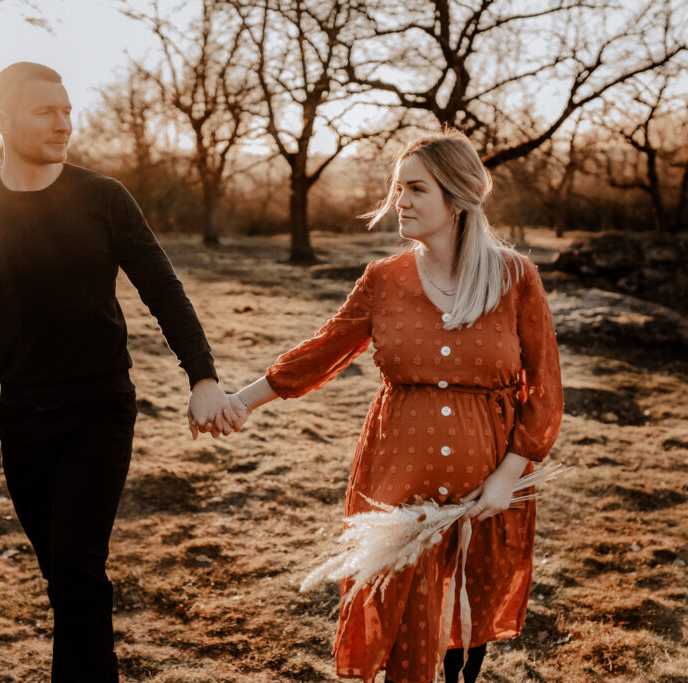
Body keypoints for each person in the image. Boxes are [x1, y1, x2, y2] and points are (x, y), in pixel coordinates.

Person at [0, 62, 236, 682]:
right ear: (1, 121)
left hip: (99, 411)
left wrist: (202, 376)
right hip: (20, 417)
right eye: (46, 111)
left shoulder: (104, 198)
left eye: (67, 110)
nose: (64, 123)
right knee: (64, 575)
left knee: (74, 567)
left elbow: (162, 288)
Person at [220, 130, 563, 683]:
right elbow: (322, 352)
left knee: (466, 624)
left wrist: (508, 476)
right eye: (399, 188)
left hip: (487, 494)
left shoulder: (515, 278)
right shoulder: (383, 279)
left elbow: (544, 389)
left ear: (458, 198)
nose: (399, 201)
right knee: (408, 622)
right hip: (398, 486)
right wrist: (240, 402)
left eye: (416, 189)